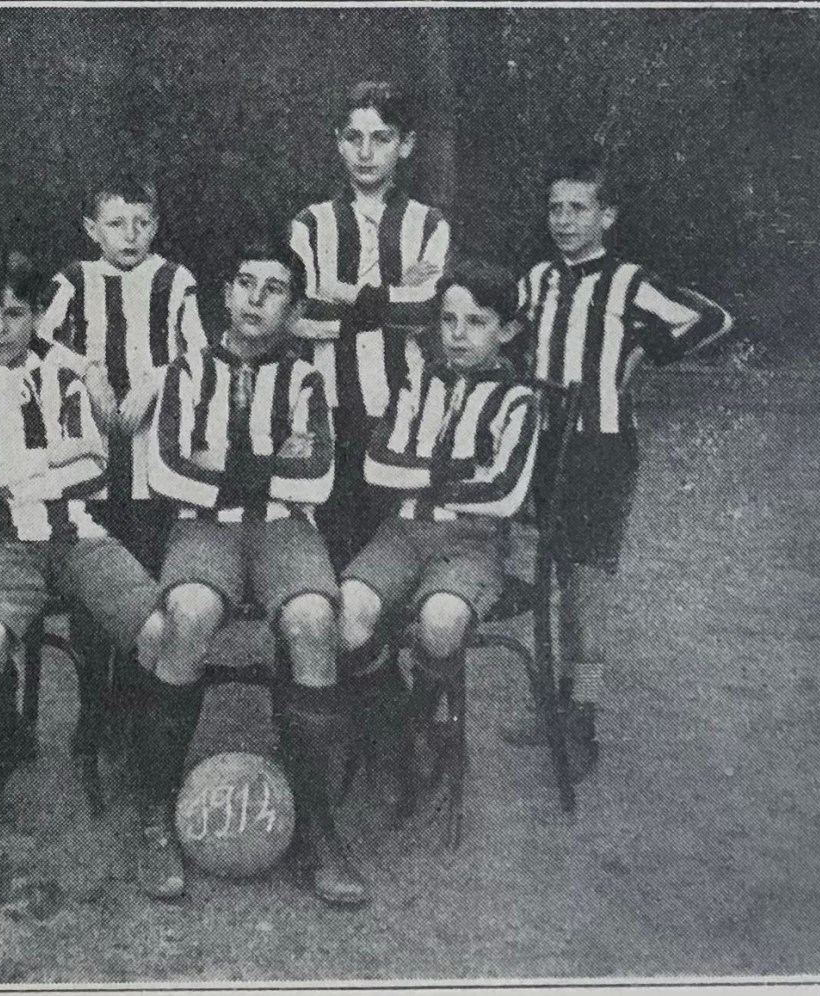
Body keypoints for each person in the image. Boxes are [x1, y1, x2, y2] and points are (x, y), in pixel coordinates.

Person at [139, 239, 366, 906]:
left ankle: (318, 823)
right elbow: (167, 470)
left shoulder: (306, 380)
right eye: (244, 283)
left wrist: (222, 461)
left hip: (285, 530)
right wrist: (267, 462)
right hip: (202, 529)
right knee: (190, 614)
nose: (255, 299)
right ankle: (156, 810)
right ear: (227, 294)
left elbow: (317, 477)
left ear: (294, 310)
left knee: (313, 619)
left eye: (273, 290)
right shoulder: (186, 371)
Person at [500, 151, 733, 776]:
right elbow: (508, 328)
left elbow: (710, 317)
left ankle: (584, 721)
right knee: (550, 573)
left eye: (578, 208)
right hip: (546, 445)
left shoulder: (629, 281)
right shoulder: (540, 278)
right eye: (555, 208)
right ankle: (552, 703)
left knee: (588, 585)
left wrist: (643, 355)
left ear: (607, 216)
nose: (564, 220)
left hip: (601, 447)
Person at [0, 249, 164, 816]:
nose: (0, 329)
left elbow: (96, 466)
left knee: (159, 629)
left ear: (35, 315)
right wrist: (52, 456)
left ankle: (109, 726)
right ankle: (8, 739)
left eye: (13, 313)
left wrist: (15, 473)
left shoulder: (64, 374)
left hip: (77, 535)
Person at [338, 260, 540, 789]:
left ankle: (420, 715)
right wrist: (452, 473)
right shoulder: (416, 385)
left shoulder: (517, 401)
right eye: (449, 320)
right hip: (401, 534)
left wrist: (419, 475)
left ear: (508, 331)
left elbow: (504, 493)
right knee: (348, 611)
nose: (457, 334)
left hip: (472, 545)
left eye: (476, 322)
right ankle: (396, 718)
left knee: (442, 617)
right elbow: (376, 465)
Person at [35, 174, 206, 752]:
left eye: (142, 223)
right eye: (115, 223)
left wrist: (155, 381)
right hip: (93, 461)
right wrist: (88, 369)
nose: (130, 235)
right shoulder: (75, 280)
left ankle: (137, 702)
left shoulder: (174, 279)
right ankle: (94, 703)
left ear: (155, 226)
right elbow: (37, 341)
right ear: (91, 229)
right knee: (96, 580)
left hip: (154, 462)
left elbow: (197, 352)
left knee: (146, 577)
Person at [289, 80, 452, 569]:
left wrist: (347, 294)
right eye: (353, 138)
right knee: (334, 541)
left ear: (405, 145)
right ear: (338, 142)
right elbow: (300, 316)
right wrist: (392, 295)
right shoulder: (310, 224)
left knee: (392, 545)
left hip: (403, 402)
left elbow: (428, 312)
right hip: (329, 401)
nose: (365, 152)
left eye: (381, 138)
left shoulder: (428, 224)